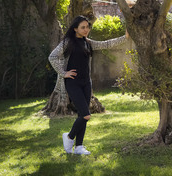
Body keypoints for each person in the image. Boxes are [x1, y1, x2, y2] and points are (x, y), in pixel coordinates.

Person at [48, 15, 128, 155]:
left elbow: (106, 44)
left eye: (87, 27)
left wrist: (125, 37)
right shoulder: (68, 42)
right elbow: (52, 56)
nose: (86, 30)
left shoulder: (87, 42)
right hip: (73, 83)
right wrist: (63, 72)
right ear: (75, 29)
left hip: (86, 83)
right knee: (86, 115)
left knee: (82, 115)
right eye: (82, 27)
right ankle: (69, 137)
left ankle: (79, 147)